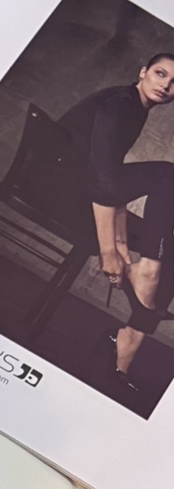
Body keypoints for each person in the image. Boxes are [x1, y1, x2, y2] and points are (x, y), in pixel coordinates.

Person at [56, 53, 174, 388]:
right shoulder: (120, 105)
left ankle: (129, 340)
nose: (166, 85)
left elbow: (112, 178)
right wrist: (108, 251)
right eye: (160, 74)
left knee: (170, 248)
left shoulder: (134, 109)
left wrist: (121, 242)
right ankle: (147, 271)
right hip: (59, 194)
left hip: (82, 193)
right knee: (170, 176)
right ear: (143, 72)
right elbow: (103, 183)